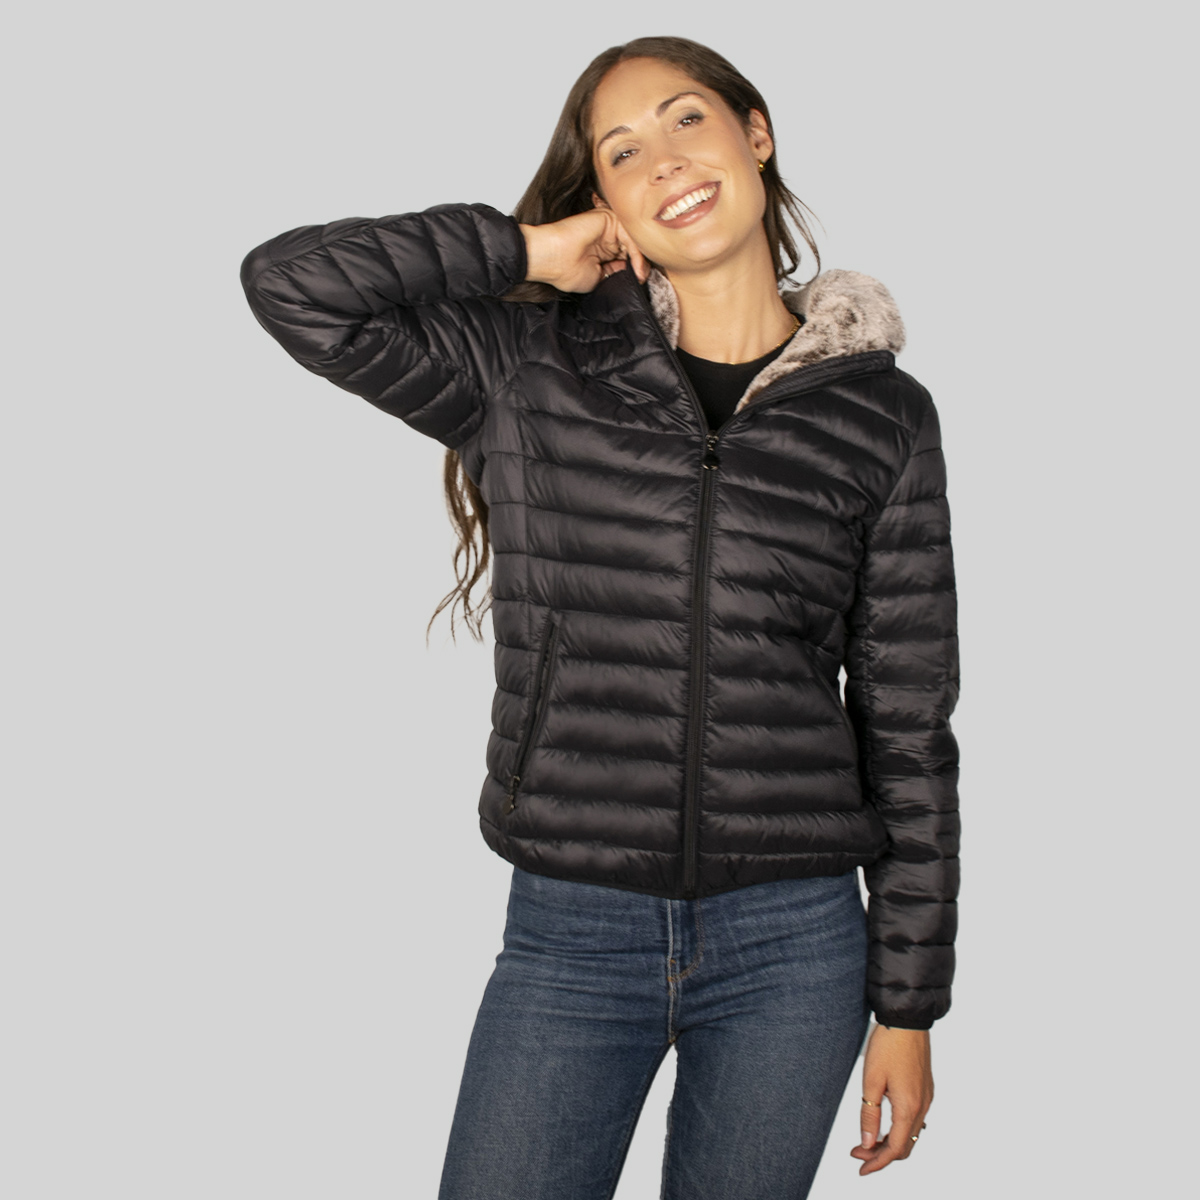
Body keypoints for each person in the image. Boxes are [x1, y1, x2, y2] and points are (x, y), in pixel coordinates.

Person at [240, 34, 959, 1200]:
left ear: (756, 135)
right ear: (605, 203)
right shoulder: (528, 370)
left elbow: (909, 723)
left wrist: (910, 1007)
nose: (663, 159)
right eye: (622, 151)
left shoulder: (883, 417)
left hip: (796, 945)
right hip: (573, 933)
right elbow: (292, 285)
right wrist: (523, 248)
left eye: (687, 119)